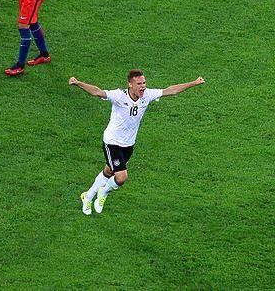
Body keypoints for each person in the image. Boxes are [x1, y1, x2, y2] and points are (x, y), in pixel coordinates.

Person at [70, 70, 205, 215]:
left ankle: (88, 196)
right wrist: (78, 83)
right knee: (121, 177)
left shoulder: (147, 95)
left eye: (144, 83)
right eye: (139, 84)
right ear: (130, 84)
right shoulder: (119, 96)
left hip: (128, 144)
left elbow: (171, 90)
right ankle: (103, 192)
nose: (143, 86)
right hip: (112, 142)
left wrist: (194, 83)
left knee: (109, 171)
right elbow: (97, 92)